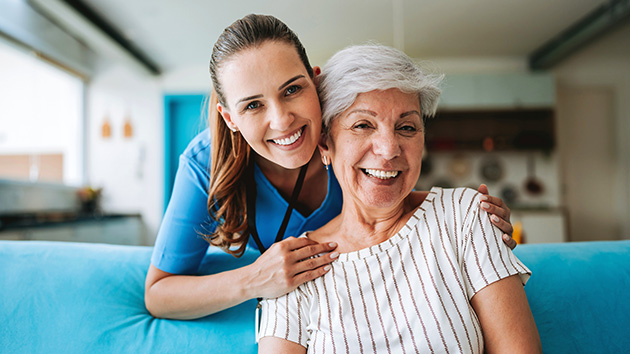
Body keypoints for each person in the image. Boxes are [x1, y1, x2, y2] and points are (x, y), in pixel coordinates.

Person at [144, 14, 517, 320]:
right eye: (253, 105)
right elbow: (159, 294)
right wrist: (256, 279)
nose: (282, 120)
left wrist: (465, 216)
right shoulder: (205, 162)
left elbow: (386, 193)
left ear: (315, 81)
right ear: (230, 119)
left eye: (292, 90)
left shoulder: (346, 135)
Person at [257, 44, 541, 353]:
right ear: (325, 143)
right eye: (363, 125)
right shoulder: (294, 268)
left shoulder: (464, 215)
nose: (389, 148)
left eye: (406, 127)